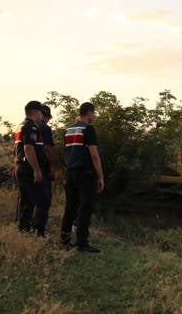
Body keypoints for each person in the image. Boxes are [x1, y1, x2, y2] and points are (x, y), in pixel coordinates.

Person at [60, 102, 104, 253]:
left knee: (70, 208)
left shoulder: (68, 129)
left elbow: (66, 152)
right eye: (93, 113)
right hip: (84, 174)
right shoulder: (88, 129)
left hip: (70, 172)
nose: (94, 116)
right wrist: (100, 176)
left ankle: (64, 241)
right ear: (90, 112)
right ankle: (82, 243)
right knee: (86, 207)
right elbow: (94, 155)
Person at [14, 100, 51, 236]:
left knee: (26, 201)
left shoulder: (20, 126)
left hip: (21, 167)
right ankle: (39, 233)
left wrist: (16, 165)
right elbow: (28, 148)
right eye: (41, 112)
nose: (42, 115)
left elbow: (17, 150)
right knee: (43, 201)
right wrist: (36, 170)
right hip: (29, 169)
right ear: (35, 112)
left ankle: (23, 231)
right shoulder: (31, 127)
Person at [39, 105, 56, 200]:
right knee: (44, 200)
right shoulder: (45, 128)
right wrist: (52, 166)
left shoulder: (23, 126)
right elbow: (47, 148)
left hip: (26, 168)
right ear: (47, 116)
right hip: (42, 168)